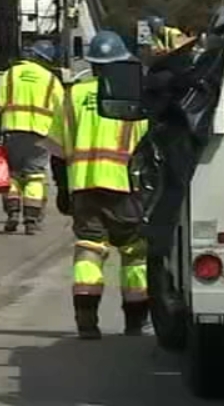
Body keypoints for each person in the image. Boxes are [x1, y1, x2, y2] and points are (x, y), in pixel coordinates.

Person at [51, 30, 149, 340]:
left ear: (92, 64)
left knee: (89, 251)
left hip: (84, 188)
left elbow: (57, 152)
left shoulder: (73, 96)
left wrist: (63, 190)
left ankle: (86, 323)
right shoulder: (135, 96)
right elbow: (148, 149)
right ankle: (135, 323)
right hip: (125, 188)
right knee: (134, 254)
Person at [0, 38, 63, 234]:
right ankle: (31, 221)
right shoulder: (51, 80)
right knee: (35, 176)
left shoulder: (11, 74)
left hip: (12, 131)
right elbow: (61, 110)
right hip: (40, 134)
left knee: (13, 175)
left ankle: (13, 214)